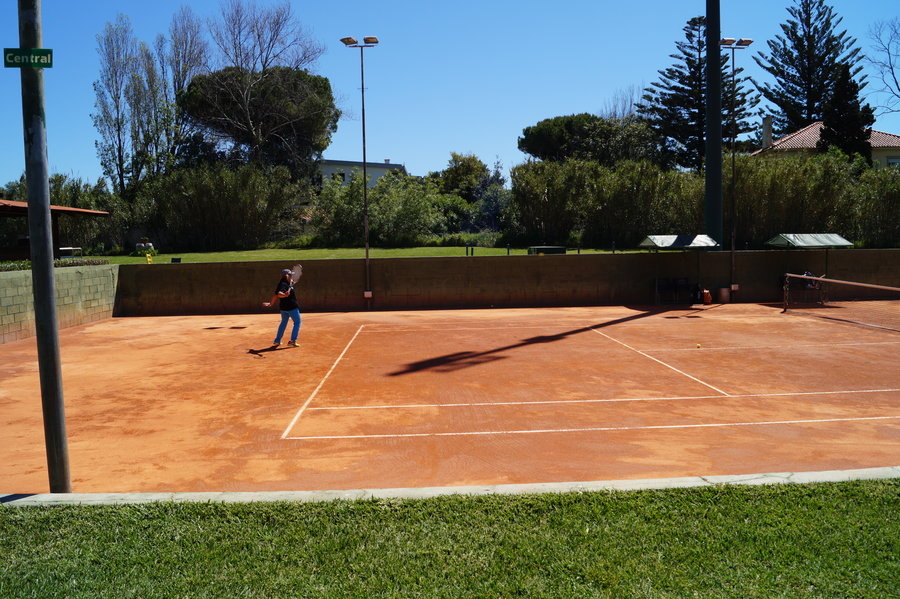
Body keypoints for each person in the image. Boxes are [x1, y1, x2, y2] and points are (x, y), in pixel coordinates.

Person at [262, 268, 301, 347]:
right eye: (290, 275)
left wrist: (271, 303)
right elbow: (279, 294)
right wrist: (285, 295)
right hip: (291, 307)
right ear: (286, 276)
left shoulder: (286, 282)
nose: (291, 276)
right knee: (297, 322)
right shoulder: (283, 284)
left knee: (283, 323)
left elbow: (276, 294)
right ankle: (292, 341)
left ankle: (277, 340)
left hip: (284, 308)